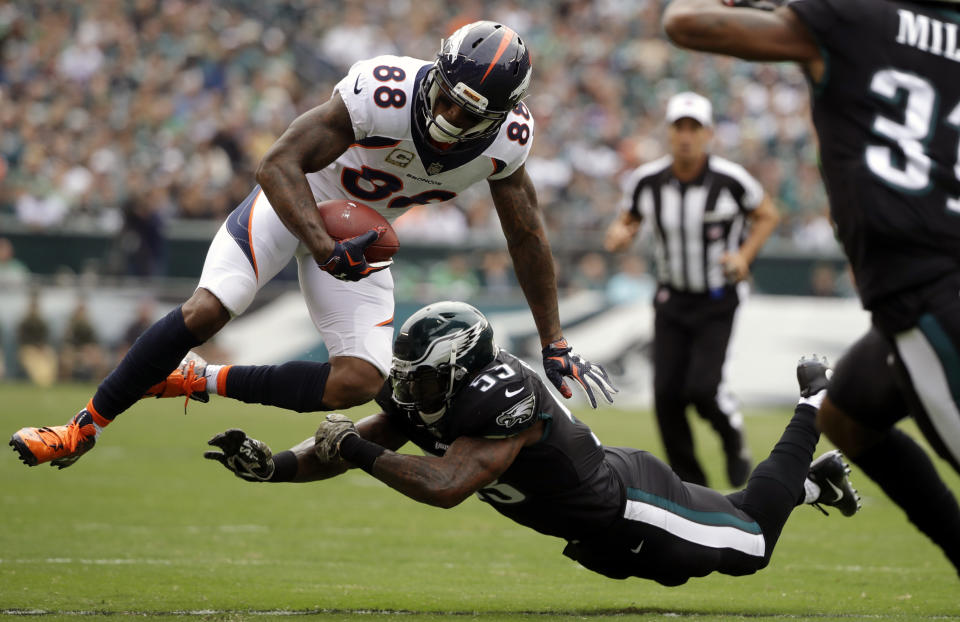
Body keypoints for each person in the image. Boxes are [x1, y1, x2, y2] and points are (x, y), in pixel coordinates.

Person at [10, 21, 616, 469]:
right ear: (436, 71)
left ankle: (199, 381)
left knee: (357, 379)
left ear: (505, 114)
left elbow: (527, 235)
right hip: (299, 203)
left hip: (360, 234)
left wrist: (553, 339)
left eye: (469, 113)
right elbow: (277, 164)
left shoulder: (506, 143)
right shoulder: (385, 90)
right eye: (449, 96)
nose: (451, 117)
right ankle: (80, 428)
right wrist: (323, 243)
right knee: (208, 308)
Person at [201, 301, 859, 587]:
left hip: (631, 504)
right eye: (408, 377)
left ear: (461, 367)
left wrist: (355, 452)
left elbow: (447, 484)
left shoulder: (502, 390)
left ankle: (811, 403)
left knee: (748, 545)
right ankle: (811, 484)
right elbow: (358, 439)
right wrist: (278, 468)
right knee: (706, 538)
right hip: (594, 536)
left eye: (424, 377)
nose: (411, 391)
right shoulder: (425, 394)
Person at [662, 0, 960, 575]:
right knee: (846, 415)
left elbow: (686, 22)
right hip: (927, 279)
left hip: (928, 291)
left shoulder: (860, 19)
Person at [605, 92, 780, 488]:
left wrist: (744, 255)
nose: (686, 136)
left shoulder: (731, 180)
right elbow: (628, 219)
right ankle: (692, 485)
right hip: (671, 298)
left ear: (708, 133)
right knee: (666, 396)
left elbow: (767, 213)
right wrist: (620, 233)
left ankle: (733, 439)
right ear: (668, 132)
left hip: (718, 298)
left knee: (703, 389)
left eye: (694, 128)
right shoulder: (647, 180)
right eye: (679, 127)